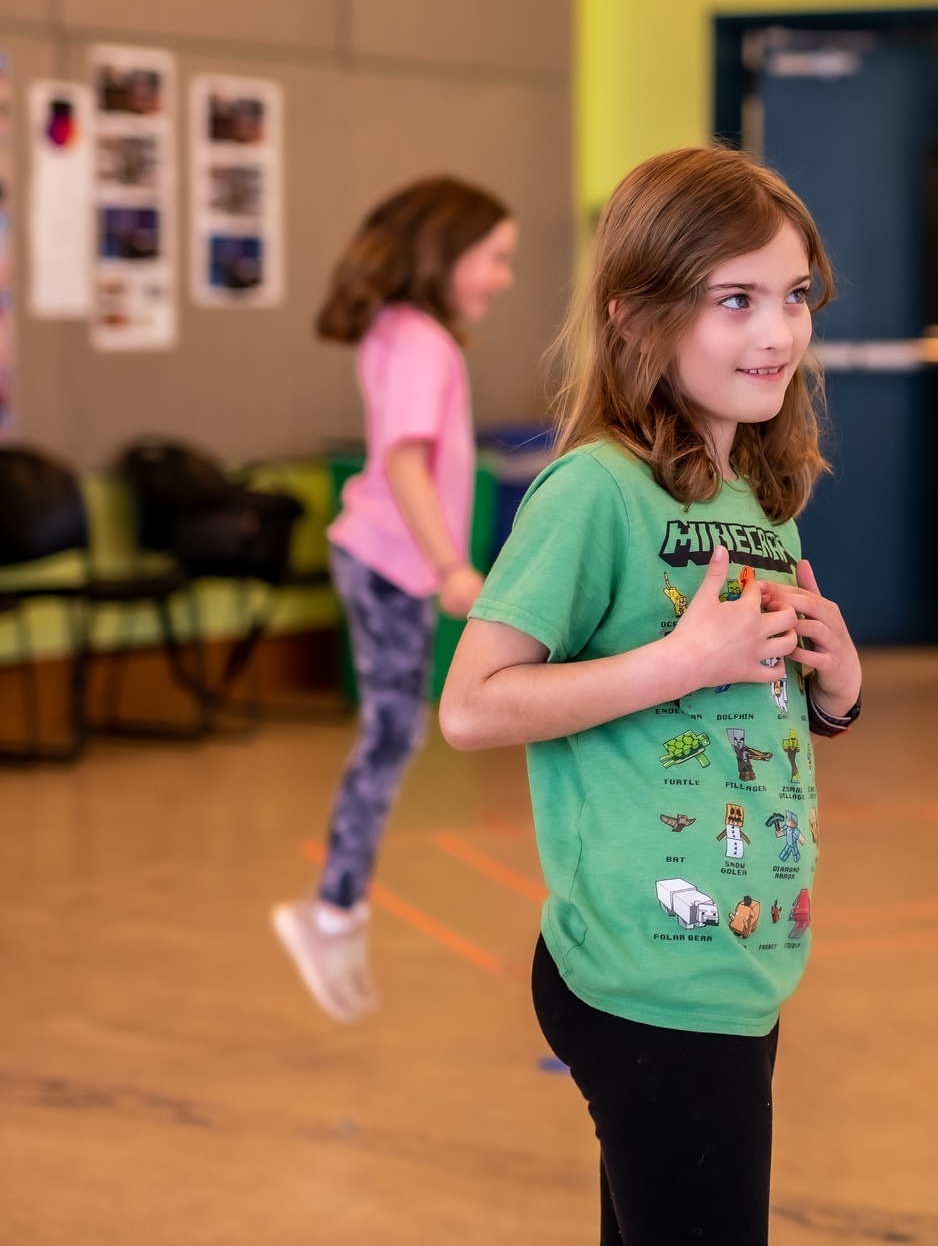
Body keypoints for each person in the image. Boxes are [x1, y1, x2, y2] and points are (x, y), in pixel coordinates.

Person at [437, 145, 863, 1245]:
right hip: (646, 977)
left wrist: (834, 690)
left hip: (740, 962)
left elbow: (743, 716)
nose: (777, 332)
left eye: (794, 297)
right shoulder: (593, 490)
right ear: (636, 315)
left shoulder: (757, 498)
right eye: (736, 300)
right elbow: (473, 704)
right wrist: (679, 661)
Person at [271, 177, 517, 1023]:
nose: (502, 277)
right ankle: (333, 908)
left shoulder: (400, 330)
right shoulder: (421, 342)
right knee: (392, 733)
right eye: (494, 259)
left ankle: (336, 908)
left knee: (394, 731)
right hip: (390, 562)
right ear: (445, 254)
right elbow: (405, 460)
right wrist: (451, 565)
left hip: (378, 559)